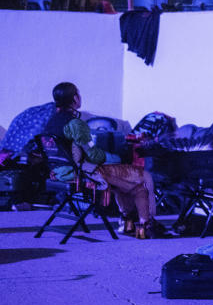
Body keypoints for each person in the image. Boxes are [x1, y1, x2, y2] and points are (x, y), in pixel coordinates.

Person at [42, 82, 162, 239]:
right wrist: (114, 157)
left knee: (124, 181)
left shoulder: (51, 122)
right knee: (143, 179)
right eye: (78, 94)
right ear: (75, 98)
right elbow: (93, 154)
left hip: (58, 172)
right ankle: (145, 226)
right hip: (81, 174)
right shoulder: (76, 123)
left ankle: (127, 223)